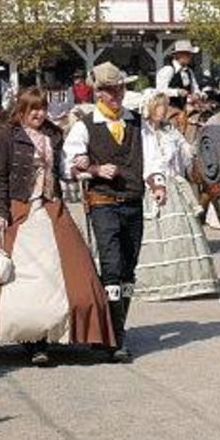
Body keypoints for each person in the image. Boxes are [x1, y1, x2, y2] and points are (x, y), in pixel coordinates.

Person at [0, 87, 116, 364]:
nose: (39, 113)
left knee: (73, 276)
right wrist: (0, 212)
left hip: (50, 207)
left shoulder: (54, 135)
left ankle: (58, 337)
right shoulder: (8, 135)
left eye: (42, 108)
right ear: (21, 110)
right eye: (33, 109)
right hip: (16, 208)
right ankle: (29, 341)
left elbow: (63, 171)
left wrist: (82, 165)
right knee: (1, 281)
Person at [63, 62, 166, 363]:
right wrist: (93, 168)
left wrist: (157, 183)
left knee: (128, 268)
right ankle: (113, 336)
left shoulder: (137, 123)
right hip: (103, 201)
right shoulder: (85, 125)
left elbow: (152, 157)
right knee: (111, 264)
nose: (116, 95)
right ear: (98, 93)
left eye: (119, 88)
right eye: (109, 90)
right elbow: (68, 165)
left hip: (133, 199)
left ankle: (117, 326)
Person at [133, 90, 218, 301]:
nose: (164, 110)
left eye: (165, 105)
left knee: (181, 234)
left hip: (173, 184)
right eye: (160, 106)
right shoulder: (140, 132)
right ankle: (157, 283)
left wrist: (199, 135)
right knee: (155, 236)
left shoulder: (171, 131)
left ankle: (186, 281)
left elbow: (188, 153)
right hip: (150, 185)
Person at [156, 39, 201, 130]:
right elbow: (160, 91)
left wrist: (196, 94)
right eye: (188, 54)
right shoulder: (168, 70)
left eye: (190, 54)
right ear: (179, 55)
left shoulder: (189, 72)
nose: (190, 57)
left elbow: (195, 88)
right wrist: (177, 92)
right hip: (169, 110)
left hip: (185, 110)